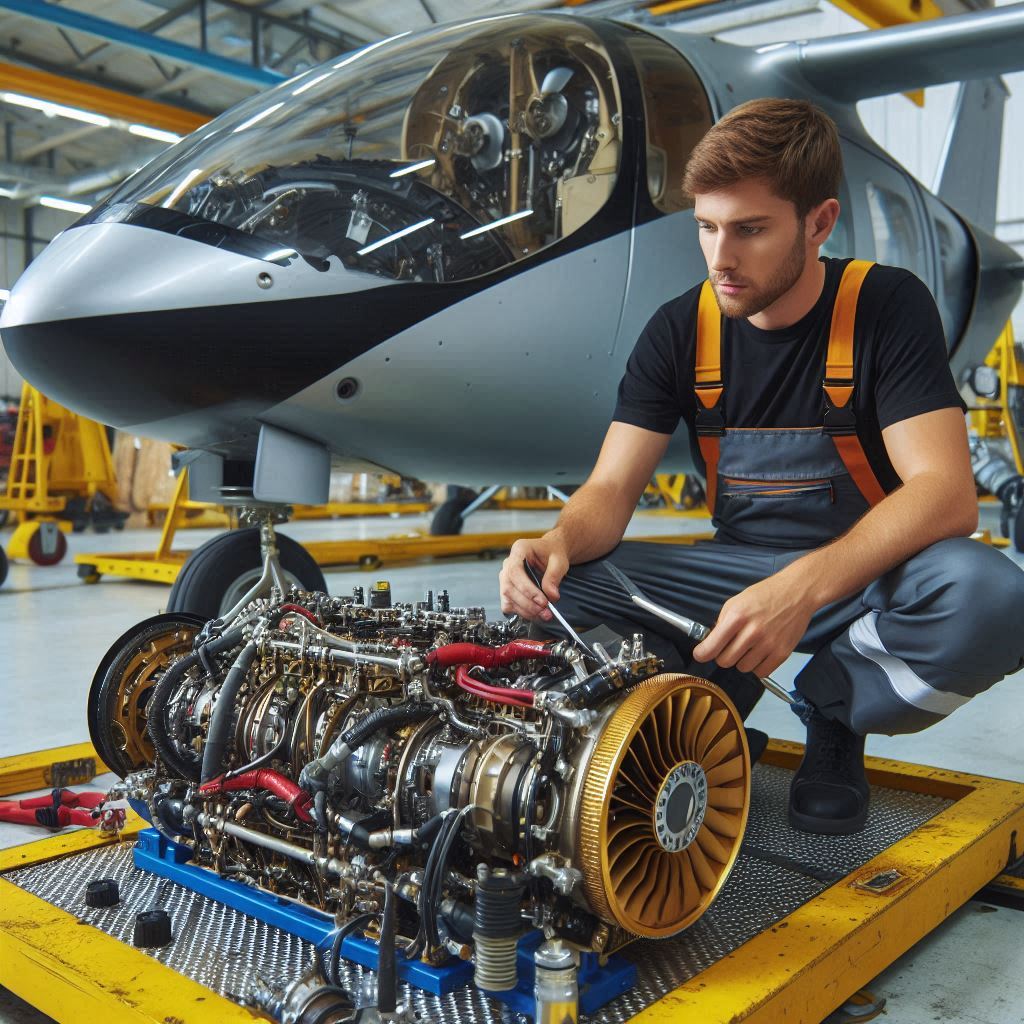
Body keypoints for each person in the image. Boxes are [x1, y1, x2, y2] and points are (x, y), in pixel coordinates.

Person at [498, 98, 1024, 836]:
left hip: (867, 579)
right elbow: (611, 489)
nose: (721, 258)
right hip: (734, 577)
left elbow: (945, 494)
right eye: (707, 227)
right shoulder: (680, 328)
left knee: (994, 597)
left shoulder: (885, 306)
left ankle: (832, 713)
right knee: (563, 586)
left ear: (819, 222)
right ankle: (696, 712)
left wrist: (798, 592)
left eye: (750, 229)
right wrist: (555, 542)